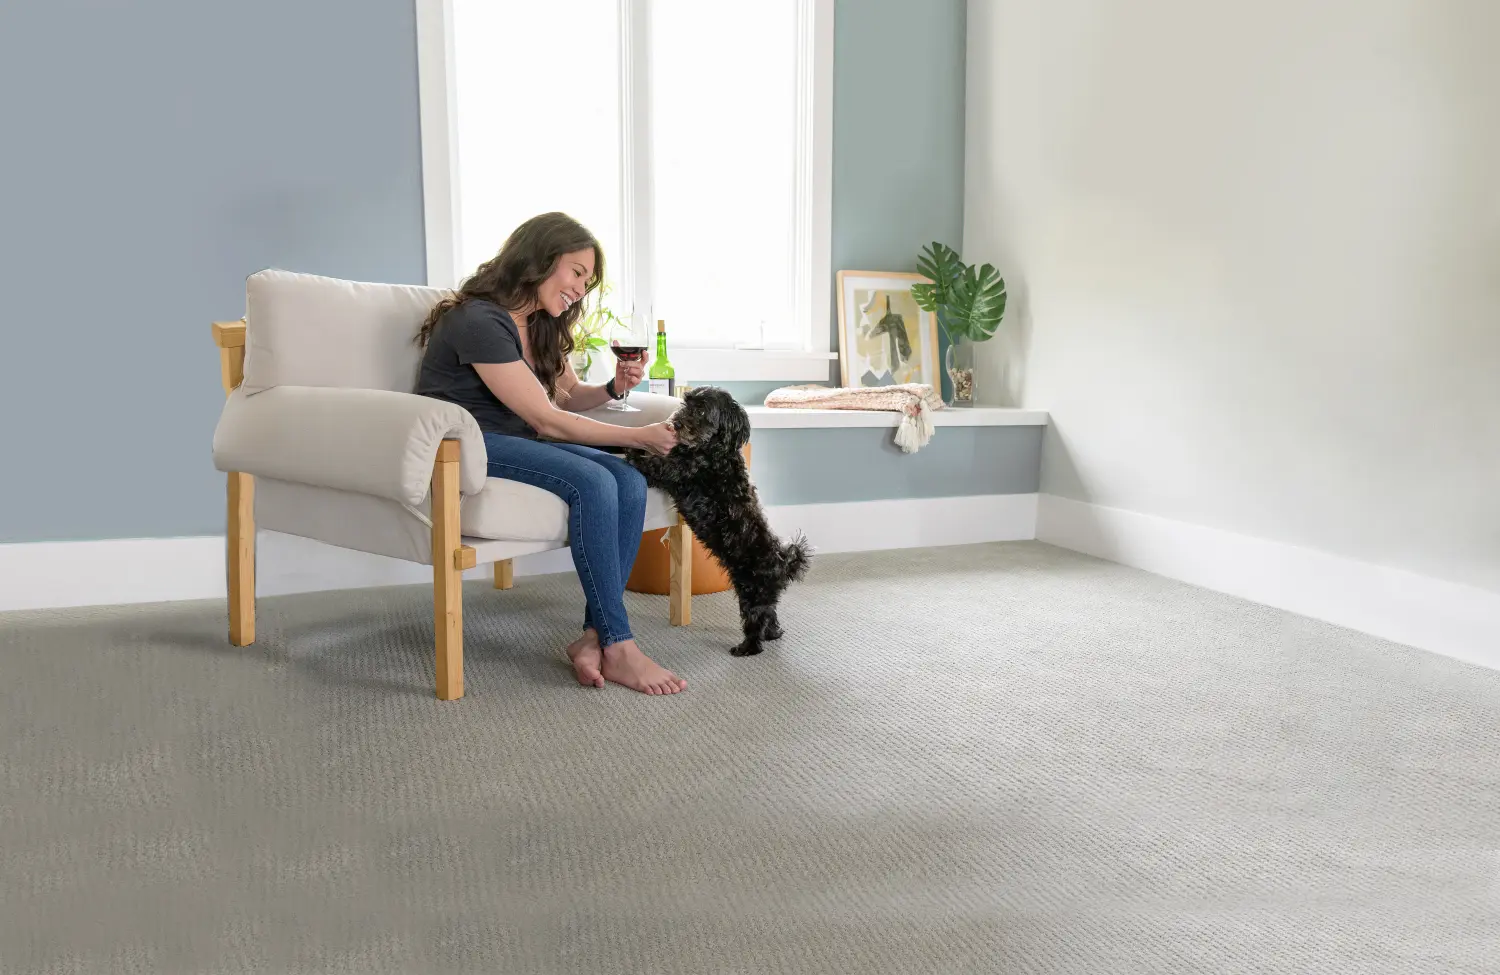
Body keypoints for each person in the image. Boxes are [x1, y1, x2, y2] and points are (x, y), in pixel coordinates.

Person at [414, 212, 686, 696]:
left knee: (628, 480)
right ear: (539, 260)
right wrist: (642, 435)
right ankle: (620, 647)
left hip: (515, 442)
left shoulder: (537, 325)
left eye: (589, 280)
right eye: (576, 272)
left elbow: (568, 397)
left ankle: (593, 638)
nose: (582, 288)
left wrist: (611, 387)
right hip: (464, 446)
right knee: (597, 481)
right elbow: (546, 419)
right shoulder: (479, 320)